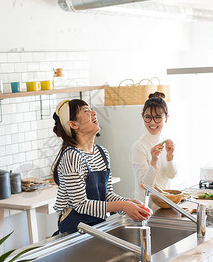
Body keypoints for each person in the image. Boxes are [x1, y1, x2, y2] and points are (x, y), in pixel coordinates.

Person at [52, 99, 152, 235]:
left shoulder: (102, 153)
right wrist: (123, 205)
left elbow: (107, 195)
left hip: (97, 227)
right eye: (86, 111)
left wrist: (129, 204)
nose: (94, 113)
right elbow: (81, 204)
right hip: (74, 232)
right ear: (73, 124)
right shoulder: (72, 156)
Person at [130, 92, 177, 203]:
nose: (152, 122)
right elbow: (144, 184)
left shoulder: (166, 142)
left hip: (166, 203)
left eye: (157, 117)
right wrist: (154, 162)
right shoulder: (138, 147)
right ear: (143, 117)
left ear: (166, 118)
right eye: (148, 117)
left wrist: (170, 158)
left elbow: (171, 175)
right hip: (147, 207)